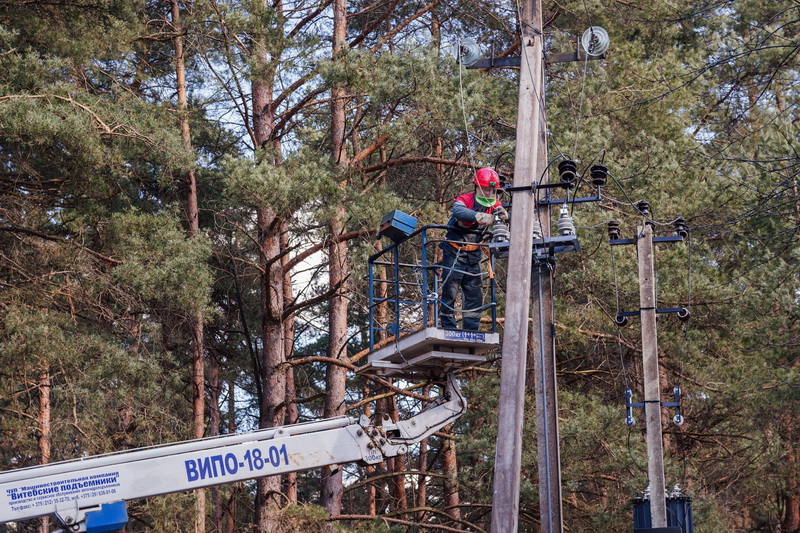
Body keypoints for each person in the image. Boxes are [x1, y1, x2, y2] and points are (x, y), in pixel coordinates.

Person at [439, 168, 508, 330]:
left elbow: (505, 216)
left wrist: (505, 215)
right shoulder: (466, 199)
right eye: (485, 189)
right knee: (450, 291)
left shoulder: (494, 204)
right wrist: (478, 216)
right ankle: (449, 328)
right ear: (476, 187)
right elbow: (457, 210)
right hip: (454, 251)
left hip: (473, 255)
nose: (488, 193)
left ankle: (471, 329)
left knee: (474, 294)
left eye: (491, 190)